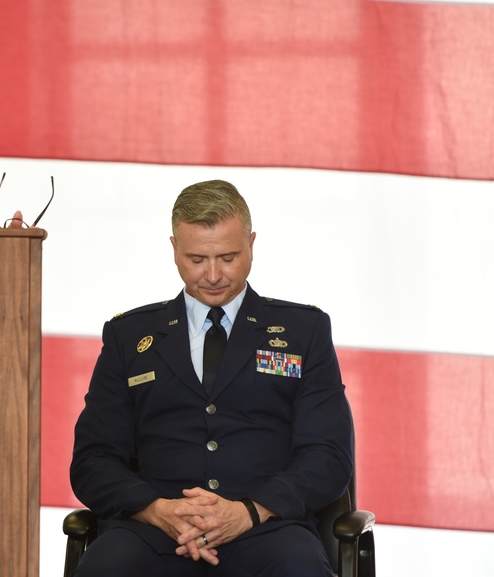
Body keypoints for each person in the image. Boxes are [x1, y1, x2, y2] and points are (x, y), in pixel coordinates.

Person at [70, 179, 354, 576]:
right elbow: (93, 459)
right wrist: (159, 511)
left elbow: (328, 454)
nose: (214, 275)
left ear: (252, 244)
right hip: (154, 532)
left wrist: (248, 513)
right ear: (173, 250)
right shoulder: (129, 337)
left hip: (267, 529)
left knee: (300, 567)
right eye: (197, 259)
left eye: (228, 256)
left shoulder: (303, 331)